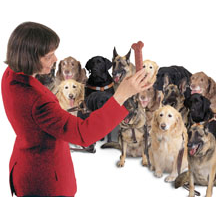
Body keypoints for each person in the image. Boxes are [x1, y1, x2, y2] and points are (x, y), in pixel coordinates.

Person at [1, 22, 152, 197]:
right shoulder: (38, 100)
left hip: (24, 164)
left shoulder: (10, 75)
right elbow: (83, 134)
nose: (55, 59)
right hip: (45, 184)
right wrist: (121, 95)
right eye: (48, 56)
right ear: (30, 58)